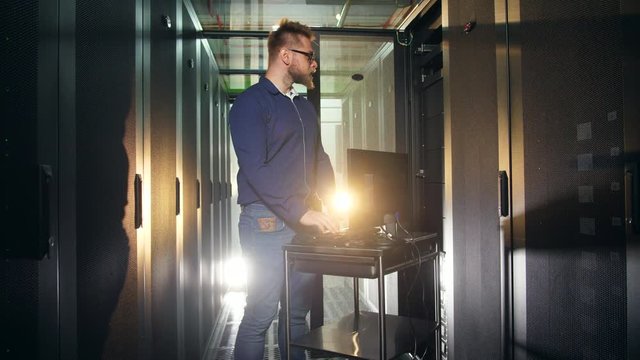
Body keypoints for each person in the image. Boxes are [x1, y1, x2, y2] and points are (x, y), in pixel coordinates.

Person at [229, 18, 339, 360]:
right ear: (285, 55)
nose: (314, 63)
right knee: (260, 317)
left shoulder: (303, 107)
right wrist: (302, 211)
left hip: (302, 223)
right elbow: (256, 171)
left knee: (295, 316)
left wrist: (332, 203)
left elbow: (319, 157)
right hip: (266, 222)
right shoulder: (250, 104)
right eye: (308, 54)